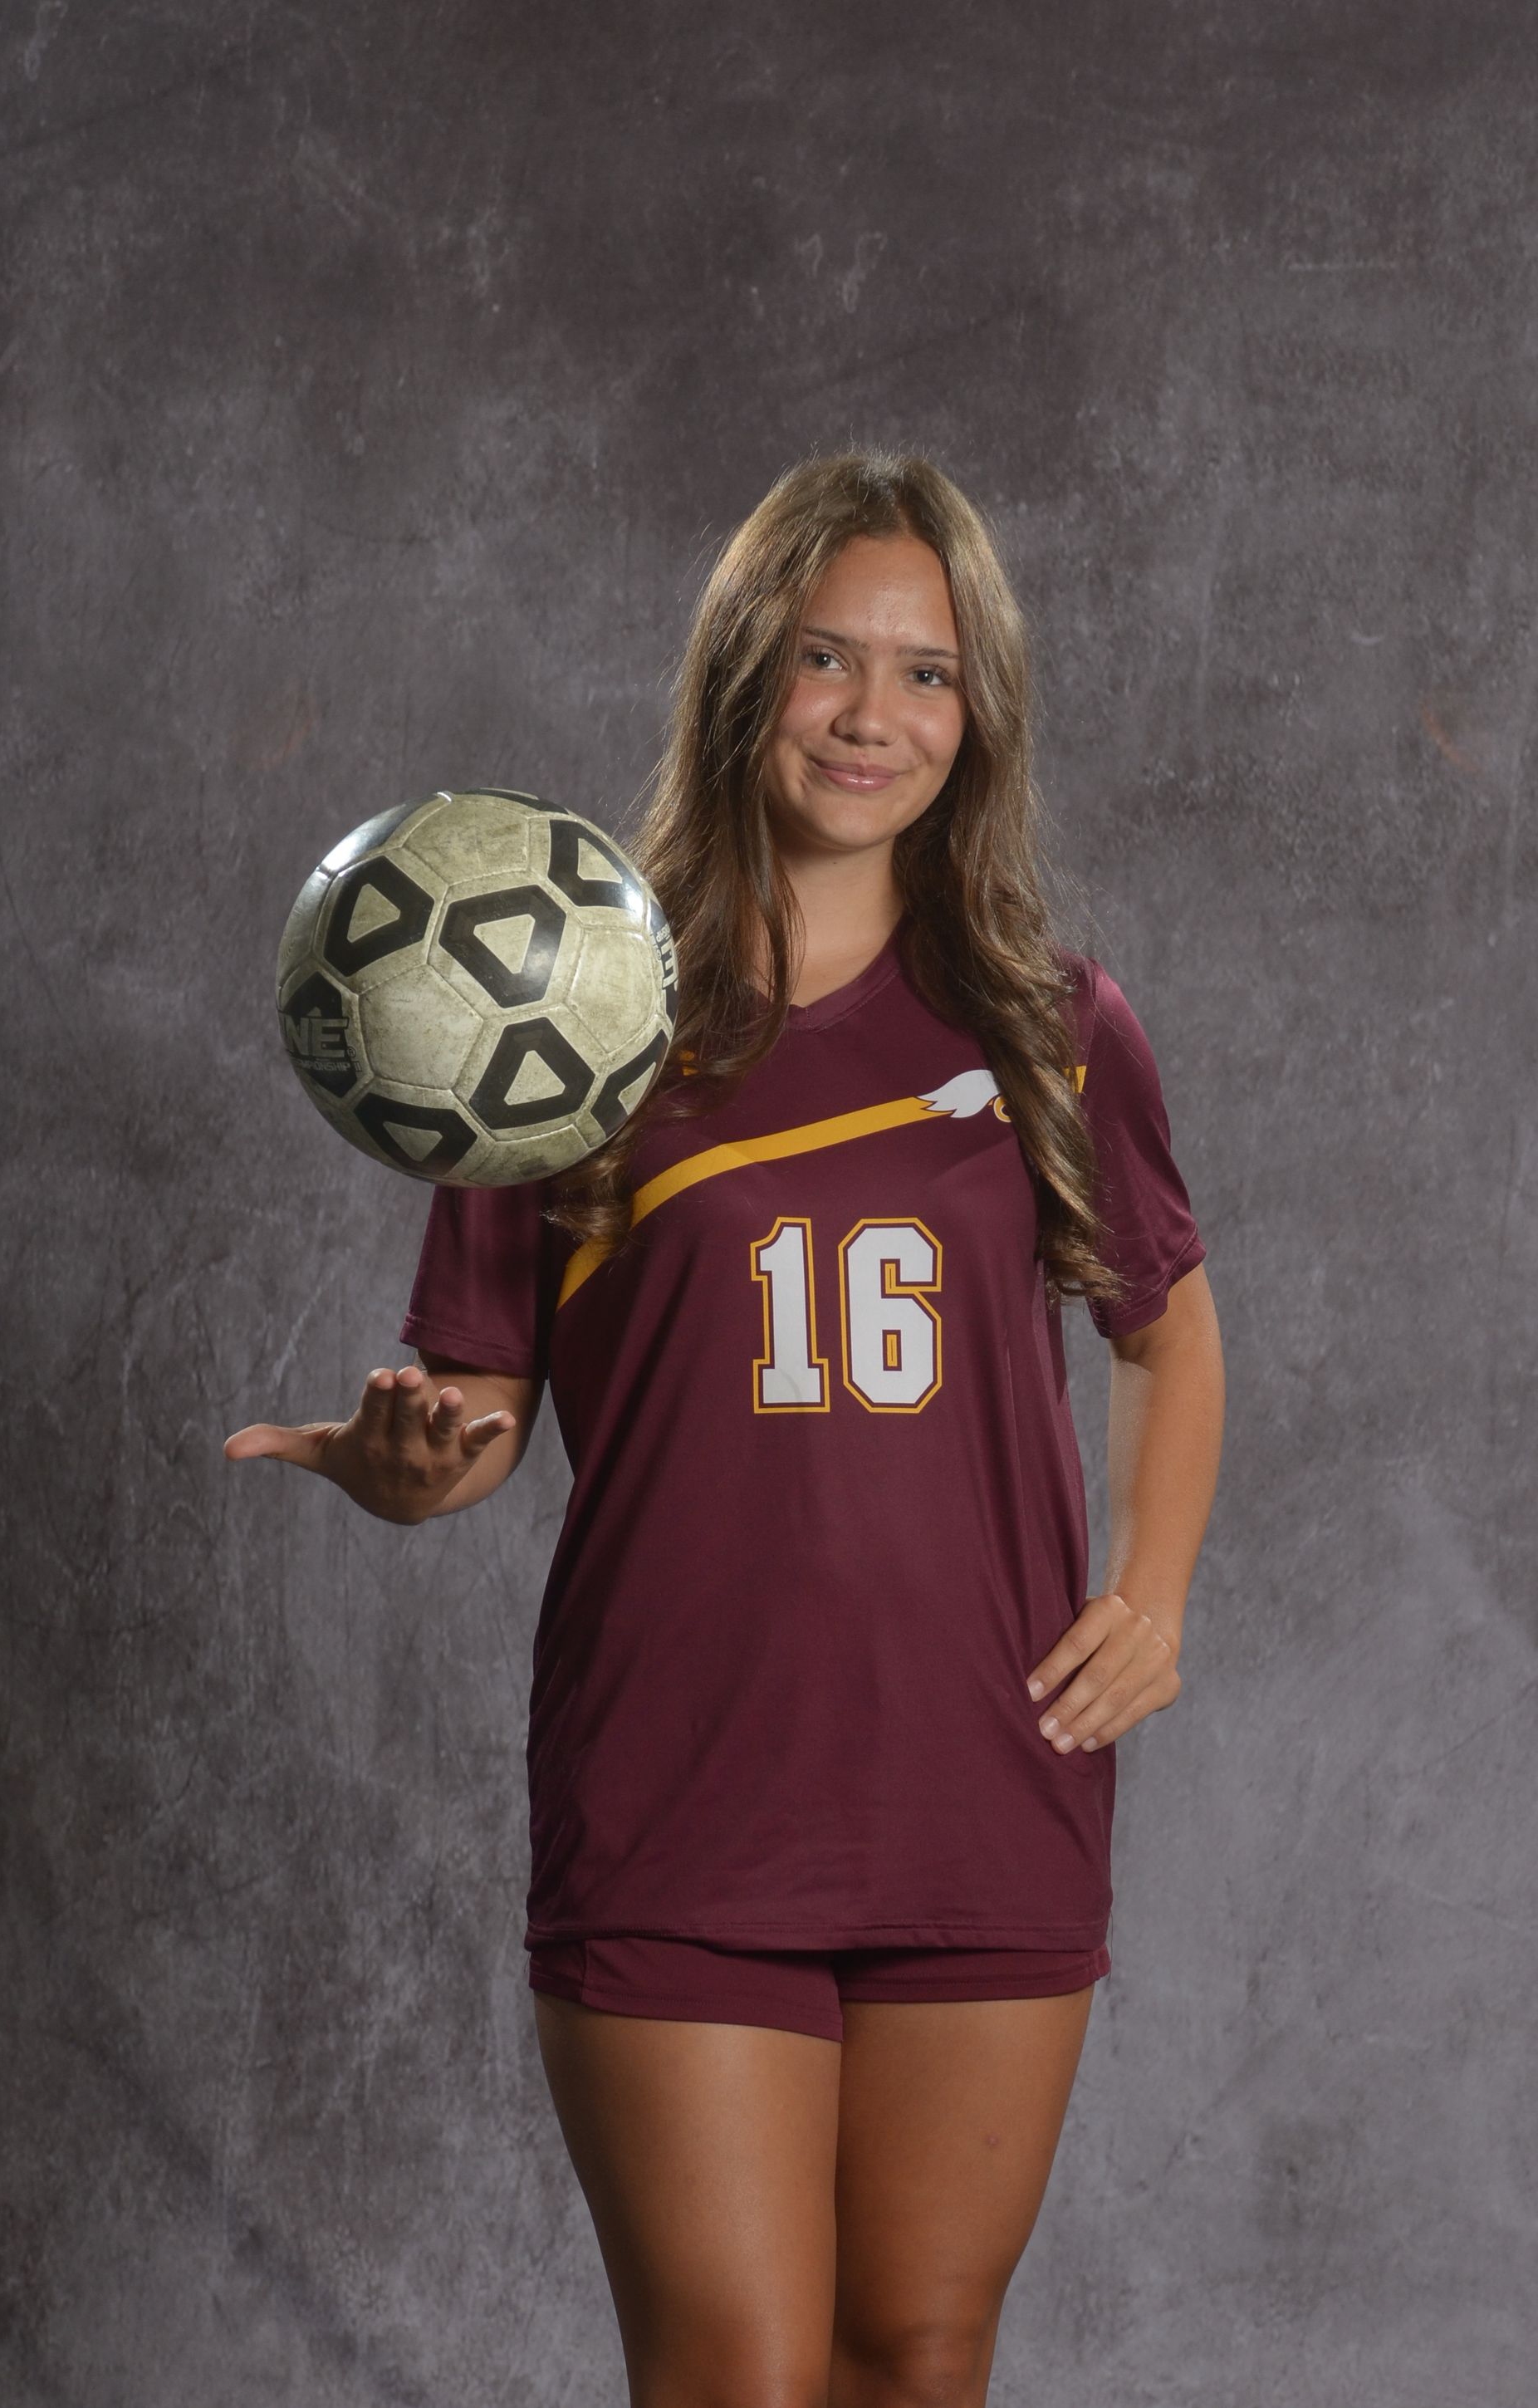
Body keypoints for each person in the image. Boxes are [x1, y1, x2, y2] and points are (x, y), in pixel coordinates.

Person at [227, 448, 1226, 2408]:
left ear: (980, 708)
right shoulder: (562, 1017)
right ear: (744, 672)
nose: (875, 717)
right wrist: (411, 1461)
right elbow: (485, 1406)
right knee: (735, 2372)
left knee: (917, 2356)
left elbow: (1169, 1324)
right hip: (682, 1780)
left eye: (928, 673)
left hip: (982, 1771)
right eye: (829, 661)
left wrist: (1157, 1587)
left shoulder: (1044, 1018)